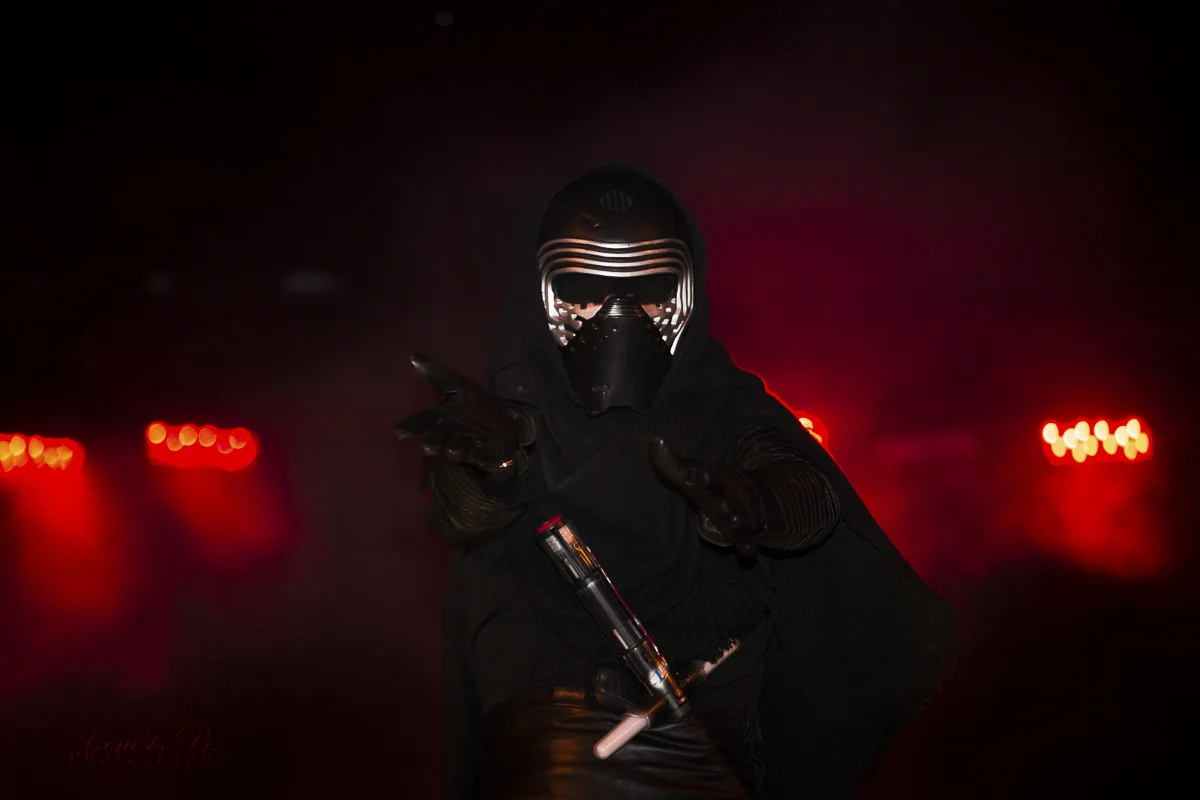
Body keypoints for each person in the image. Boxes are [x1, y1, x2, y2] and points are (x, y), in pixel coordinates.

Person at [395, 165, 956, 798]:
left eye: (649, 292)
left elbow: (801, 487)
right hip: (550, 750)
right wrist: (494, 469)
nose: (618, 318)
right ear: (544, 293)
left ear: (686, 291)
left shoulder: (718, 407)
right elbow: (464, 515)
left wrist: (761, 504)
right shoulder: (515, 414)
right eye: (587, 293)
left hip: (706, 744)